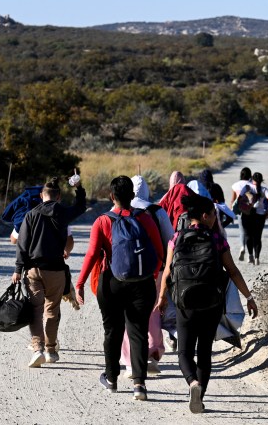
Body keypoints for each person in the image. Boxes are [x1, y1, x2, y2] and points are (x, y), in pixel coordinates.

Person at [155, 194, 258, 414]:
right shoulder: (217, 239)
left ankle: (192, 383)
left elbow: (167, 271)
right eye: (213, 214)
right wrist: (249, 298)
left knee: (184, 351)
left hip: (185, 302)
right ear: (204, 215)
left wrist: (163, 298)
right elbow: (233, 271)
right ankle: (199, 398)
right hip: (211, 302)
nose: (215, 218)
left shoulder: (176, 238)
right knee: (204, 352)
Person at [75, 176, 164, 401]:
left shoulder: (103, 221)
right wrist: (151, 276)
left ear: (111, 196)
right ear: (133, 196)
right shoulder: (145, 218)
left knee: (112, 331)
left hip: (111, 282)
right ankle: (139, 385)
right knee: (138, 331)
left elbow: (93, 253)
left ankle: (112, 379)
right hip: (142, 284)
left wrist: (80, 283)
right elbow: (159, 253)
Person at [11, 176, 86, 367]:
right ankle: (51, 350)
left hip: (33, 270)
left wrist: (18, 269)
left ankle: (38, 349)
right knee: (52, 310)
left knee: (35, 310)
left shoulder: (30, 215)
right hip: (55, 270)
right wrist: (78, 187)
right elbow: (80, 207)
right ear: (58, 197)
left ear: (41, 195)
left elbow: (23, 244)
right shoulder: (62, 213)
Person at [119, 175, 173, 377]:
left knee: (128, 314)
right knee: (152, 311)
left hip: (127, 270)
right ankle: (152, 353)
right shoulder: (157, 211)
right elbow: (170, 240)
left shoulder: (121, 210)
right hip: (155, 269)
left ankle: (129, 359)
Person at [242, 172, 268, 266]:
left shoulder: (248, 188)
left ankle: (250, 255)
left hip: (248, 215)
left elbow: (240, 199)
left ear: (252, 179)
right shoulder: (264, 190)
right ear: (261, 180)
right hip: (260, 216)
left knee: (248, 236)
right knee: (257, 237)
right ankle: (257, 258)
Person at [230, 167, 253, 262]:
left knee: (242, 231)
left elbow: (233, 200)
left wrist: (231, 213)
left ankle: (242, 247)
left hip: (240, 210)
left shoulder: (235, 185)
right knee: (250, 232)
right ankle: (251, 255)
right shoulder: (252, 185)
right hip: (250, 211)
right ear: (250, 175)